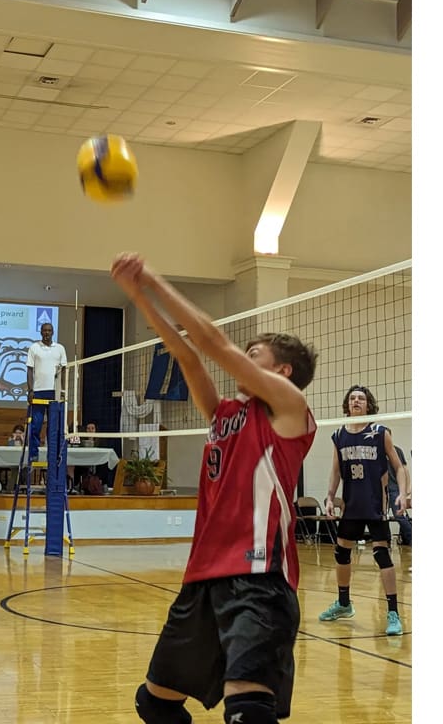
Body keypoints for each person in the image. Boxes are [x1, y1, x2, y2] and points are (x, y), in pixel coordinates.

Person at [110, 252, 316, 724]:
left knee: (246, 709)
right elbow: (186, 353)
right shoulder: (226, 414)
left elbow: (212, 343)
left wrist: (154, 276)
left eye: (255, 354)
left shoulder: (288, 405)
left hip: (258, 577)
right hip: (203, 576)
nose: (243, 357)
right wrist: (136, 293)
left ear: (281, 372)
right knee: (155, 702)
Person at [318, 386, 410, 636]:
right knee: (341, 552)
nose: (356, 401)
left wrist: (402, 492)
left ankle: (393, 613)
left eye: (361, 398)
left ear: (368, 404)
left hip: (374, 504)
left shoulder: (380, 432)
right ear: (347, 405)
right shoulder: (338, 435)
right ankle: (344, 603)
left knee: (382, 555)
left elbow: (399, 467)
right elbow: (336, 470)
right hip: (351, 505)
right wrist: (329, 496)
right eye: (352, 398)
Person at [25, 322, 67, 466]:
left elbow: (64, 370)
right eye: (44, 330)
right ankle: (34, 454)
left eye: (49, 330)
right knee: (36, 425)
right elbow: (30, 370)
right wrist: (30, 390)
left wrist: (62, 390)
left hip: (54, 392)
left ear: (53, 332)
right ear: (41, 332)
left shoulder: (60, 348)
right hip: (38, 391)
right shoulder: (34, 348)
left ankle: (53, 455)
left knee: (53, 427)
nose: (47, 333)